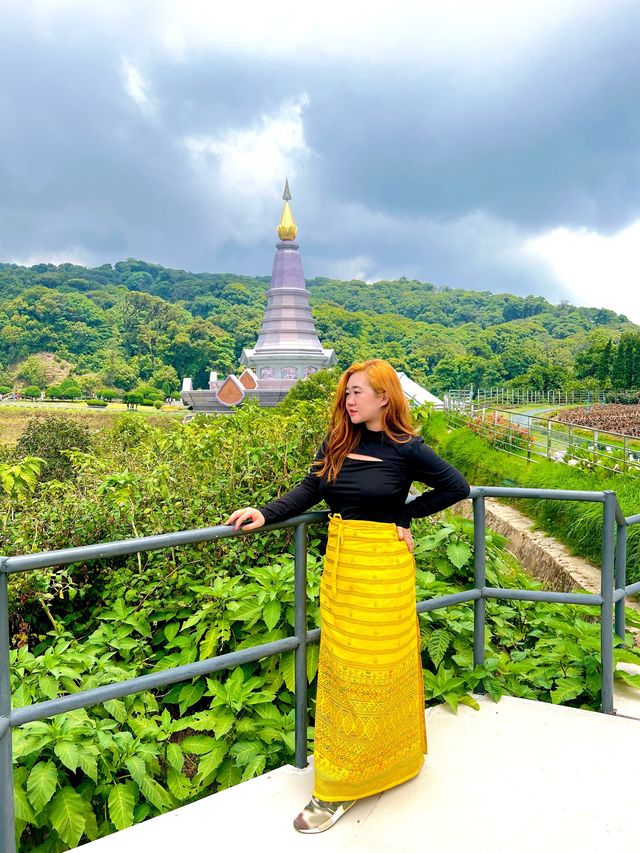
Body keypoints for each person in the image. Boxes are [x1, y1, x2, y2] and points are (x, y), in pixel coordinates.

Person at [224, 358, 470, 834]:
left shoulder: (407, 448)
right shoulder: (338, 442)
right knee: (343, 673)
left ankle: (378, 767)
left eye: (357, 392)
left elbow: (455, 486)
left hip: (385, 570)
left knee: (381, 667)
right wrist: (265, 513)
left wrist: (407, 516)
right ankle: (342, 776)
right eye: (346, 393)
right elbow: (309, 490)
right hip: (342, 568)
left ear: (384, 397)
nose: (348, 400)